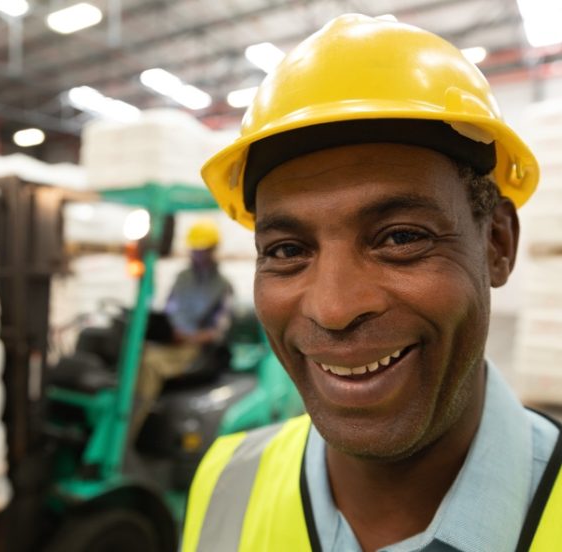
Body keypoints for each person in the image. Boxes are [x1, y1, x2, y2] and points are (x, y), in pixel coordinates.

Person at [180, 14, 562, 552]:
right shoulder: (226, 481)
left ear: (497, 244)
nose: (334, 307)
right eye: (287, 251)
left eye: (401, 238)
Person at [131, 218, 233, 436]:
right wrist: (166, 330)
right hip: (170, 340)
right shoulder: (182, 278)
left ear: (213, 250)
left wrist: (189, 337)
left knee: (149, 364)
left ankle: (129, 429)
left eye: (202, 250)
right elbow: (169, 310)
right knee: (132, 355)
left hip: (191, 349)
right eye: (194, 250)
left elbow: (218, 331)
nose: (196, 255)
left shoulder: (222, 286)